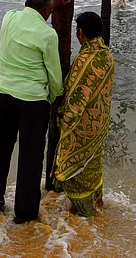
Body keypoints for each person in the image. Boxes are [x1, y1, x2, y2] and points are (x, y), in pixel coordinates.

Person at [0, 0, 64, 224]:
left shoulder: (8, 18)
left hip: (2, 93)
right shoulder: (48, 34)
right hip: (31, 101)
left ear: (26, 2)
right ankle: (25, 213)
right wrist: (53, 96)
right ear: (48, 9)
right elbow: (54, 76)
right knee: (30, 157)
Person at [52, 12, 115, 217]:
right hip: (100, 123)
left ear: (80, 33)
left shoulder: (86, 59)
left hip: (84, 126)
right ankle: (95, 206)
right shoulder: (105, 54)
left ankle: (85, 214)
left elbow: (76, 99)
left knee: (72, 169)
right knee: (92, 166)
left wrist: (62, 120)